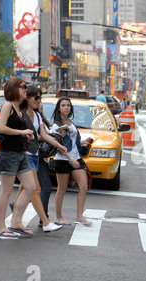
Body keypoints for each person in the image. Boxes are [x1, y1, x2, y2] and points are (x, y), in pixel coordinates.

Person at [10, 85, 65, 232]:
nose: (39, 101)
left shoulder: (38, 115)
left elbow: (45, 135)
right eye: (36, 98)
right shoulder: (21, 114)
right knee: (36, 189)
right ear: (27, 98)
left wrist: (59, 146)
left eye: (40, 98)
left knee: (24, 188)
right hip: (25, 154)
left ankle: (15, 219)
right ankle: (46, 222)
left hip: (35, 155)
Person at [0, 77, 36, 238]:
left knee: (31, 186)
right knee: (6, 191)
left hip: (20, 153)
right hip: (8, 154)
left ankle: (16, 222)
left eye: (26, 87)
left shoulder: (19, 109)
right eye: (23, 87)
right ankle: (0, 227)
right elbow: (1, 127)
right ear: (14, 89)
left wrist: (27, 134)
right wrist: (22, 132)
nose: (26, 90)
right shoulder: (8, 105)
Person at [51, 97, 93, 226]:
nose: (66, 107)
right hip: (63, 160)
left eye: (68, 105)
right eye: (63, 105)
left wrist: (83, 142)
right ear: (59, 108)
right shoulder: (56, 126)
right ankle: (58, 217)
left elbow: (72, 142)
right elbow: (59, 146)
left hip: (76, 158)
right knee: (62, 189)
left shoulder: (71, 122)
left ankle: (79, 216)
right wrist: (70, 159)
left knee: (84, 186)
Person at [36, 95, 55, 221]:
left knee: (29, 188)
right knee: (46, 187)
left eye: (41, 102)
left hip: (40, 157)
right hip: (34, 156)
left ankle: (16, 207)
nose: (40, 104)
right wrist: (50, 135)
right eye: (38, 102)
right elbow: (35, 136)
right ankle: (44, 218)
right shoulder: (32, 116)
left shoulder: (40, 118)